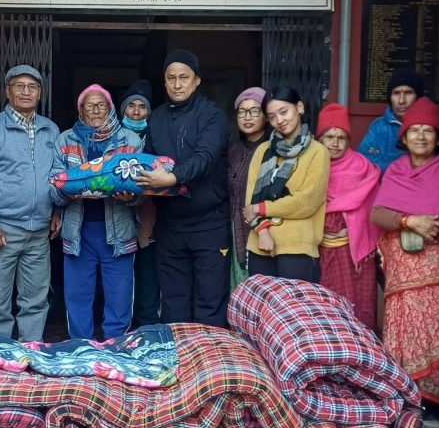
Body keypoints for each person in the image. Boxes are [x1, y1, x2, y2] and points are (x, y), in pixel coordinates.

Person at [371, 97, 439, 407]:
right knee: (403, 327)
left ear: (438, 137)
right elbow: (377, 213)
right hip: (401, 264)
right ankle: (407, 396)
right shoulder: (396, 169)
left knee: (437, 327)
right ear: (404, 138)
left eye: (428, 131)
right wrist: (409, 221)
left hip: (437, 263)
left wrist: (427, 224)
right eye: (414, 130)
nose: (421, 136)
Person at [137, 50, 230, 328]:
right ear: (164, 81)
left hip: (209, 224)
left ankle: (208, 356)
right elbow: (147, 163)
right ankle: (177, 354)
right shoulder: (156, 118)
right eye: (171, 78)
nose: (177, 84)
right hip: (170, 226)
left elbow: (205, 158)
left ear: (197, 80)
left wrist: (173, 177)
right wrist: (130, 188)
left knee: (209, 303)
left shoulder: (213, 116)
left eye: (184, 78)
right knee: (173, 303)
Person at [0, 65, 60, 341]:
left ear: (40, 93)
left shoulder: (50, 130)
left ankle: (30, 352)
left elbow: (58, 177)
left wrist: (57, 210)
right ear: (7, 92)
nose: (26, 92)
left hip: (40, 231)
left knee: (35, 301)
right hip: (3, 229)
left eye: (32, 87)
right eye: (19, 86)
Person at [50, 84, 143, 340]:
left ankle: (115, 346)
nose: (96, 110)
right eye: (89, 105)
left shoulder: (130, 141)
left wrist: (132, 197)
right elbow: (53, 186)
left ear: (111, 109)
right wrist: (66, 192)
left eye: (102, 105)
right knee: (77, 297)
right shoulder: (65, 140)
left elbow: (142, 188)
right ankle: (81, 347)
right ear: (80, 110)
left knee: (119, 297)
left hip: (119, 232)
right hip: (79, 233)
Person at [243, 86, 329, 284]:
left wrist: (262, 208)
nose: (279, 121)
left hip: (297, 248)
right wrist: (263, 231)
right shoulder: (262, 150)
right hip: (260, 245)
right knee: (261, 303)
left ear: (299, 107)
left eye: (284, 112)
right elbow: (250, 202)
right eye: (272, 117)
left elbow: (307, 201)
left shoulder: (317, 152)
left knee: (295, 305)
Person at [316, 103, 381, 330]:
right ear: (320, 139)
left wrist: (352, 229)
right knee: (327, 308)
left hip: (356, 254)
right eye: (329, 137)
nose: (335, 143)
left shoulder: (363, 168)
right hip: (321, 250)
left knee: (360, 308)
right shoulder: (311, 166)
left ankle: (362, 349)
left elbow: (371, 208)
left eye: (341, 138)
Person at [358, 68, 439, 173]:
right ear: (390, 97)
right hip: (385, 182)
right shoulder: (378, 126)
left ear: (418, 97)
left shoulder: (437, 123)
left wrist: (386, 158)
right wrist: (411, 159)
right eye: (396, 93)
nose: (401, 100)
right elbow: (364, 160)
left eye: (408, 93)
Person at [120, 79, 160, 327]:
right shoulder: (113, 136)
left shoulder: (158, 136)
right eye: (131, 105)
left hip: (149, 214)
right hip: (118, 214)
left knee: (147, 271)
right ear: (123, 109)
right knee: (119, 275)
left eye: (142, 106)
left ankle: (146, 325)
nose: (136, 111)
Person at [228, 86, 268, 289]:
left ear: (266, 116)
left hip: (263, 230)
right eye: (242, 112)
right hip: (235, 229)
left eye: (254, 111)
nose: (247, 117)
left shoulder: (272, 150)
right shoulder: (233, 149)